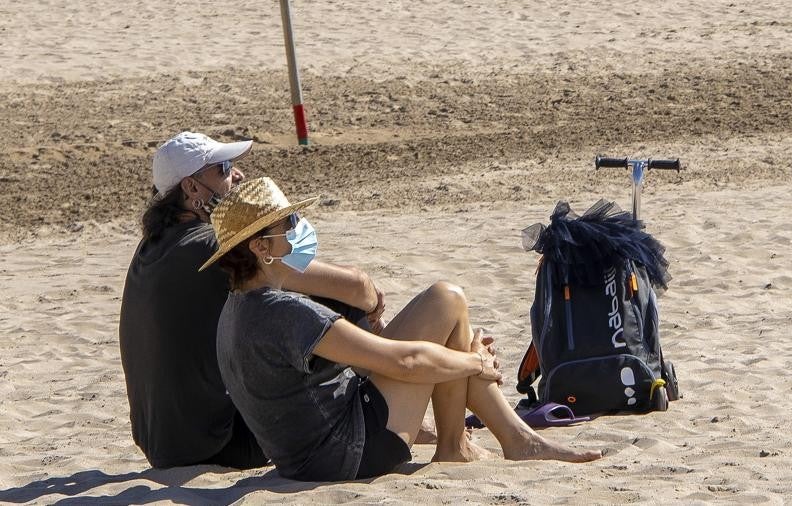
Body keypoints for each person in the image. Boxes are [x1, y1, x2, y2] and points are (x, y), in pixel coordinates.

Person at [203, 177, 603, 481]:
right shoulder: (280, 311)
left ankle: (468, 444)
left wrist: (460, 357)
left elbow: (364, 363)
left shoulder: (233, 309)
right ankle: (491, 442)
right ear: (259, 248)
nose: (294, 228)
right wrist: (471, 362)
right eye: (286, 223)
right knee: (448, 308)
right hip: (348, 451)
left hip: (307, 453)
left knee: (446, 304)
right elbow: (406, 362)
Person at [118, 132, 392, 469]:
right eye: (224, 168)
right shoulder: (210, 248)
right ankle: (392, 415)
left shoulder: (150, 249)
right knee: (334, 307)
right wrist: (369, 300)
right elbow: (352, 288)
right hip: (219, 443)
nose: (238, 175)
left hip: (165, 445)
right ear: (191, 189)